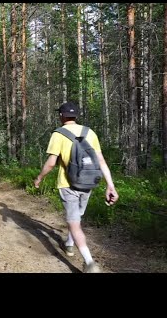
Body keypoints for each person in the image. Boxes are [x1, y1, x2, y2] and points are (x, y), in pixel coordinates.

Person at [34, 102, 119, 273]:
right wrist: (110, 185)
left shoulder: (58, 135)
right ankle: (69, 244)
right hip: (88, 183)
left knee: (74, 223)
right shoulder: (90, 133)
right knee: (78, 217)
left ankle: (89, 262)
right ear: (76, 116)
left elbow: (51, 163)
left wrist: (39, 178)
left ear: (61, 116)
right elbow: (101, 161)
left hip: (68, 184)